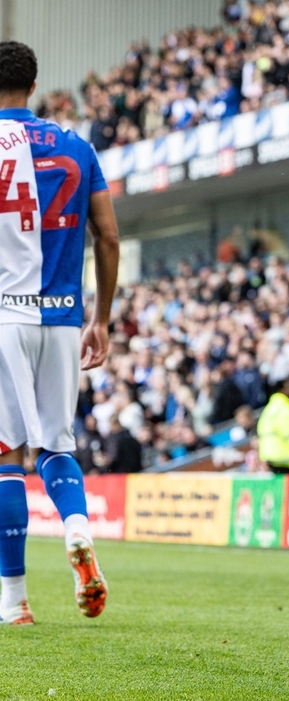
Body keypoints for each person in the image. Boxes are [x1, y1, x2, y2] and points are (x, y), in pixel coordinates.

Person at [0, 41, 119, 624]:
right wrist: (100, 318)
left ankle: (15, 601)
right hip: (64, 316)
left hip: (4, 314)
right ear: (34, 83)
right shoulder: (75, 146)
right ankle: (76, 530)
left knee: (4, 455)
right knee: (55, 445)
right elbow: (109, 237)